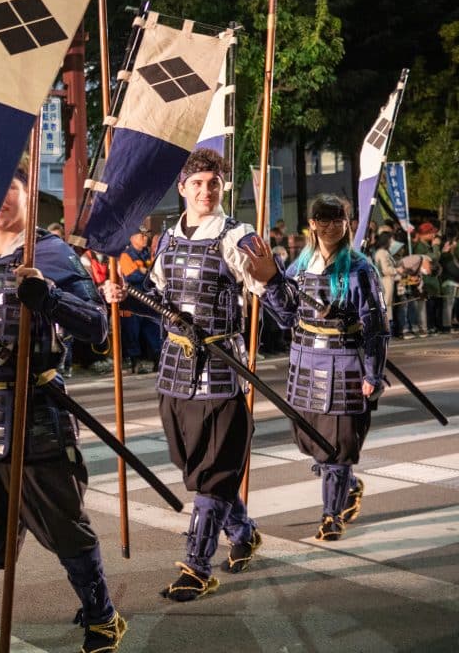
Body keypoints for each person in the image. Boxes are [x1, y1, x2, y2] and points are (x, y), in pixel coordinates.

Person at [0, 159, 126, 653]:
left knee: (66, 531)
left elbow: (97, 328)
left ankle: (102, 616)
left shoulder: (52, 251)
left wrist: (49, 297)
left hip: (36, 415)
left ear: (28, 192)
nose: (0, 197)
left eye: (11, 187)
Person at [104, 148, 263, 602]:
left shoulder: (238, 235)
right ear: (183, 188)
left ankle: (197, 565)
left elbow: (269, 288)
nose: (206, 191)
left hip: (219, 368)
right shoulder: (169, 238)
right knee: (192, 465)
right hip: (174, 370)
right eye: (198, 184)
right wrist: (124, 296)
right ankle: (244, 531)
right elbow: (157, 296)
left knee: (214, 472)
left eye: (213, 184)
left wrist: (275, 285)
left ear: (222, 187)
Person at [241, 194, 389, 541]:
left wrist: (372, 373)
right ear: (312, 224)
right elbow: (286, 317)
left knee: (336, 447)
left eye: (338, 220)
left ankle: (331, 516)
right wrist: (268, 287)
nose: (332, 226)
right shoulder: (299, 266)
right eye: (324, 220)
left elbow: (377, 326)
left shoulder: (360, 268)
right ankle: (348, 486)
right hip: (305, 361)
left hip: (345, 364)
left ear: (347, 223)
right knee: (311, 443)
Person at [118, 224, 162, 374]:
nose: (145, 238)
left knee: (153, 329)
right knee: (132, 331)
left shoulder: (147, 253)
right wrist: (146, 272)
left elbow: (154, 273)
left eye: (146, 235)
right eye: (141, 235)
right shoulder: (125, 255)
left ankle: (157, 360)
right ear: (131, 238)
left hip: (149, 297)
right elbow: (132, 276)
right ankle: (135, 362)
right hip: (132, 299)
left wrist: (145, 272)